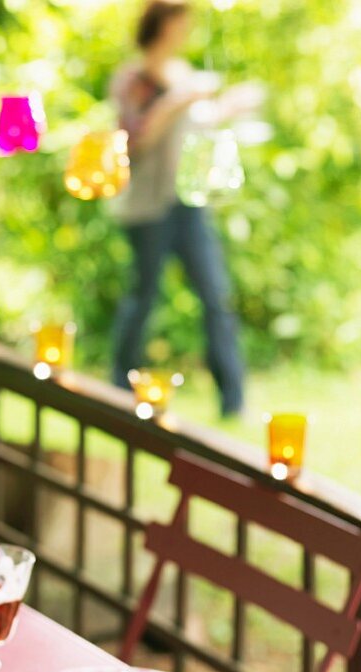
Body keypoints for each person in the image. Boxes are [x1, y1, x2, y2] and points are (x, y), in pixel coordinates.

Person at [110, 0, 249, 417]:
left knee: (216, 296)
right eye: (181, 21)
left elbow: (199, 126)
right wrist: (179, 101)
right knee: (144, 295)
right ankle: (119, 388)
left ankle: (233, 400)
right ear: (164, 24)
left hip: (188, 204)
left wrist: (230, 107)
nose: (186, 29)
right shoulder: (133, 78)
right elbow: (136, 139)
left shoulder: (183, 73)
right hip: (147, 209)